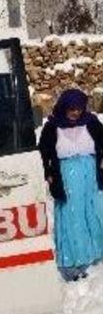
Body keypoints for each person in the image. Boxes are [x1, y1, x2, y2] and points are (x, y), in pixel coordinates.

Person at [38, 88, 103, 281]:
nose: (76, 113)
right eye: (72, 109)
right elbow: (44, 153)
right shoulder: (52, 127)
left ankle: (97, 254)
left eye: (79, 108)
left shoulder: (91, 122)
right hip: (66, 175)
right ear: (64, 107)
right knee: (72, 215)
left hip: (90, 174)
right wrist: (49, 173)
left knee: (94, 210)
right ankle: (75, 260)